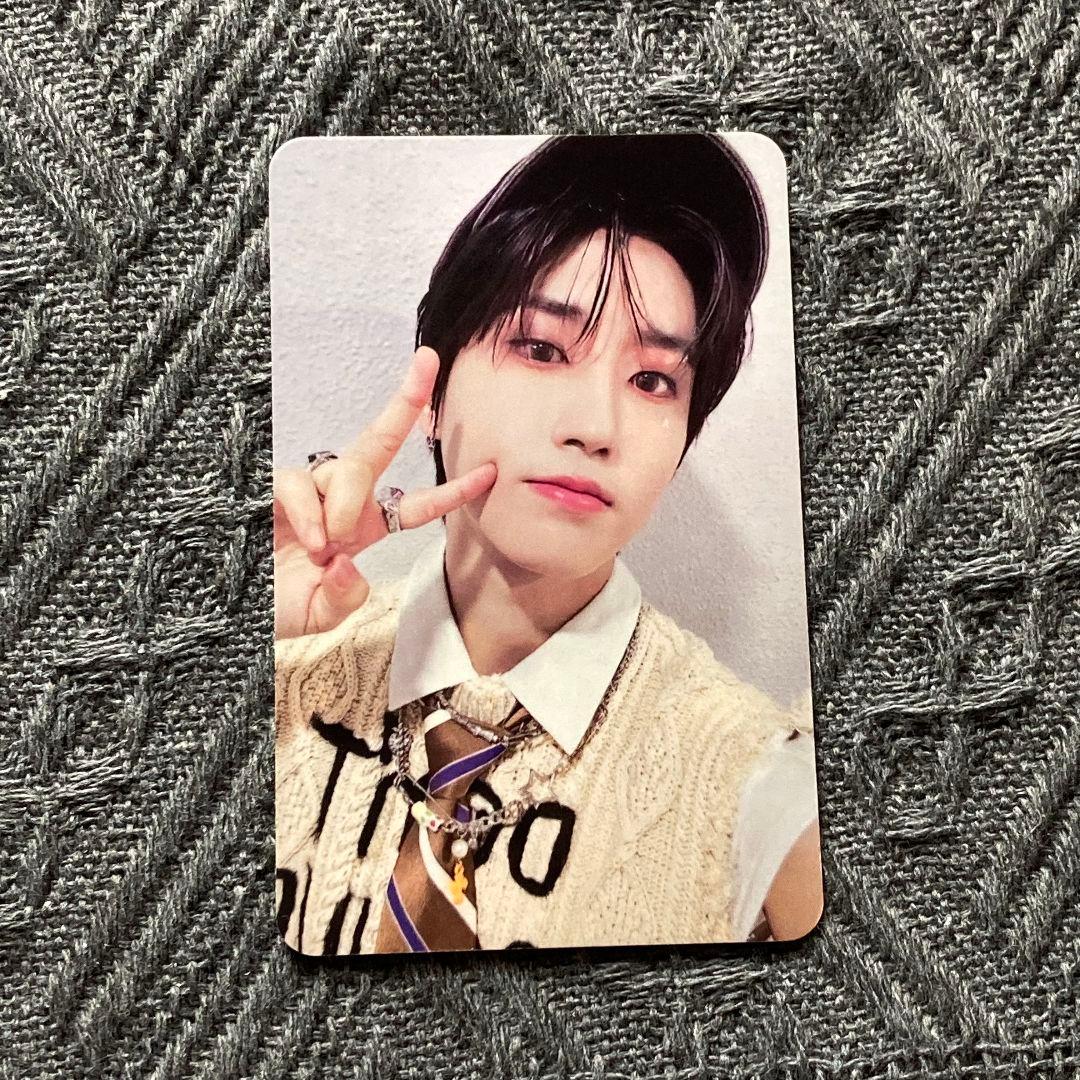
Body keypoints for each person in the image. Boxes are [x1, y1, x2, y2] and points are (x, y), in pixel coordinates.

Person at [273, 134, 822, 955]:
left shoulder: (764, 787)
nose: (596, 426)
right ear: (434, 394)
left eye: (653, 381)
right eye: (541, 348)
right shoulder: (289, 664)